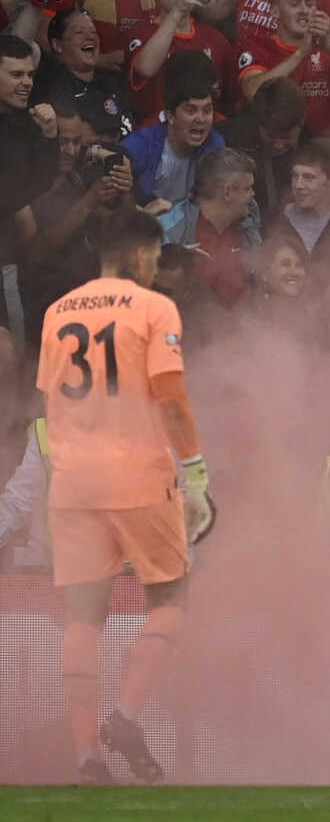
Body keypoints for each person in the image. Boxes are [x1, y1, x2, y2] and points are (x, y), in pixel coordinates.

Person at [37, 206, 214, 785]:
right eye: (157, 257)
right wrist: (196, 473)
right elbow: (168, 396)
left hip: (73, 480)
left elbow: (49, 402)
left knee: (83, 614)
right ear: (139, 253)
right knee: (169, 596)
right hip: (138, 472)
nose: (158, 268)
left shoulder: (55, 312)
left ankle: (86, 754)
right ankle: (126, 716)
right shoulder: (153, 306)